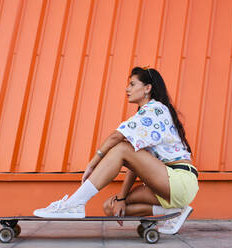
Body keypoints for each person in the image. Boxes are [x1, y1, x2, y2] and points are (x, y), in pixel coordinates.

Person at [33, 66, 199, 235]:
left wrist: (92, 164)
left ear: (147, 88)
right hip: (165, 182)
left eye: (133, 84)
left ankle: (74, 204)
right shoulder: (145, 116)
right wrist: (120, 198)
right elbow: (135, 165)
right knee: (110, 207)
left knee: (121, 148)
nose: (127, 89)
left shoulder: (155, 110)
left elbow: (116, 137)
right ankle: (173, 213)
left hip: (179, 179)